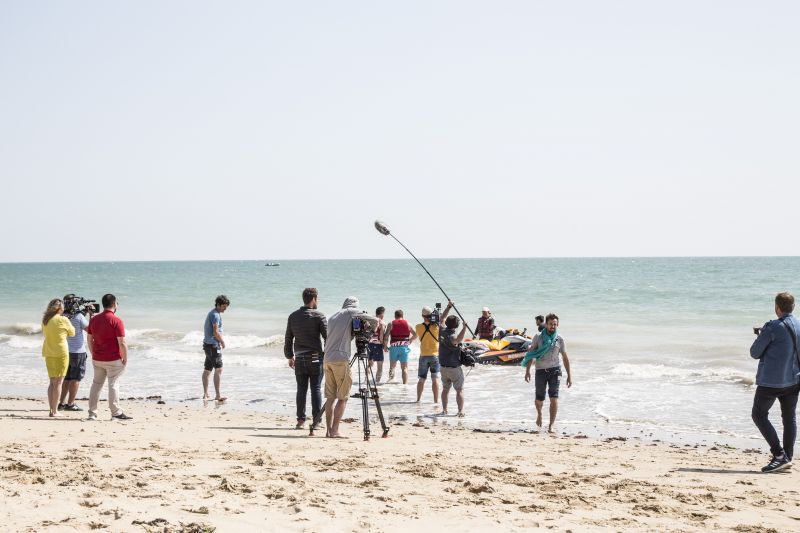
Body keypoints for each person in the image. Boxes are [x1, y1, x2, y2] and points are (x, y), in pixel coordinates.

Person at [749, 292, 800, 473]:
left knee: (758, 414)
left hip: (771, 382)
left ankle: (779, 455)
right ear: (792, 307)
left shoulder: (771, 327)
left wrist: (761, 335)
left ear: (777, 308)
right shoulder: (798, 324)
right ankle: (788, 457)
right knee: (789, 418)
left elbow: (755, 353)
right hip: (794, 380)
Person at [323, 297, 378, 438]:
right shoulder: (352, 312)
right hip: (341, 359)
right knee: (343, 397)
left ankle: (329, 431)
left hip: (327, 358)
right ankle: (335, 430)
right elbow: (375, 320)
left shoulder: (333, 316)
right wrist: (369, 333)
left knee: (330, 397)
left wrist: (352, 333)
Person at [284, 288, 327, 430]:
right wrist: (327, 354)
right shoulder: (319, 316)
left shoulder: (293, 316)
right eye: (317, 298)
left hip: (300, 358)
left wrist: (289, 356)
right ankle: (316, 421)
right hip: (315, 358)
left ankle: (300, 420)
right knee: (315, 388)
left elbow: (288, 339)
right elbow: (328, 337)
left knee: (301, 389)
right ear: (313, 299)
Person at [523, 313, 572, 432]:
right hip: (540, 371)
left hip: (555, 370)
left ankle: (551, 424)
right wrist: (528, 371)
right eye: (551, 324)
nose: (553, 327)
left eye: (555, 324)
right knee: (539, 400)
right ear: (546, 324)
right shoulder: (538, 337)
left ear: (557, 325)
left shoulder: (559, 339)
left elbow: (565, 357)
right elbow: (531, 354)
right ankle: (539, 414)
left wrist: (569, 375)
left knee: (554, 398)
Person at [87, 294, 131, 421]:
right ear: (114, 304)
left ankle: (92, 413)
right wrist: (125, 358)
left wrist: (93, 353)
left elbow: (90, 339)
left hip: (97, 358)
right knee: (113, 384)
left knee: (96, 384)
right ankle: (115, 413)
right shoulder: (117, 320)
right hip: (113, 359)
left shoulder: (94, 319)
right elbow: (122, 342)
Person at [58, 294, 95, 412]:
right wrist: (91, 315)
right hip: (77, 352)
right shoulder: (78, 316)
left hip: (64, 351)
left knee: (66, 379)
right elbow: (91, 330)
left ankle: (61, 403)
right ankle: (71, 403)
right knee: (76, 379)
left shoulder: (61, 316)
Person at [41, 298, 75, 417]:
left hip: (48, 352)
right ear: (60, 308)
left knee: (52, 382)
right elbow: (72, 333)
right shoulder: (63, 319)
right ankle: (55, 411)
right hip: (61, 353)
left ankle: (51, 410)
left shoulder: (45, 320)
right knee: (59, 382)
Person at [413, 301, 453, 404]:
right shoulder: (436, 326)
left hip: (423, 356)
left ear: (422, 316)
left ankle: (418, 399)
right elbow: (443, 318)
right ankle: (436, 401)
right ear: (431, 315)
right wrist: (449, 307)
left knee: (421, 379)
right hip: (435, 355)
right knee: (435, 379)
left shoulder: (418, 327)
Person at [439, 314, 469, 416]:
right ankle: (460, 411)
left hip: (443, 366)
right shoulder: (452, 336)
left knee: (445, 389)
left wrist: (448, 306)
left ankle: (444, 410)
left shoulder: (441, 330)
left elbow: (441, 318)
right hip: (454, 367)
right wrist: (464, 328)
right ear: (456, 326)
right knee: (459, 390)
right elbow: (458, 340)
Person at [202, 295, 230, 403]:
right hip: (213, 346)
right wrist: (222, 341)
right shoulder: (215, 315)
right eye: (223, 306)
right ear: (218, 305)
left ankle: (205, 393)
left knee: (207, 369)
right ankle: (218, 395)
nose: (225, 308)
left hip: (207, 345)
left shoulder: (213, 313)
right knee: (219, 369)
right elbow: (215, 332)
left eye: (226, 306)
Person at [383, 309, 416, 384]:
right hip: (404, 348)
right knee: (404, 368)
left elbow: (386, 337)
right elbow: (415, 335)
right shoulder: (408, 324)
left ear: (395, 316)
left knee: (392, 367)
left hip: (394, 348)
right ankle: (405, 385)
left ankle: (390, 382)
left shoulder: (391, 323)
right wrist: (410, 340)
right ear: (402, 316)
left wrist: (385, 346)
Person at [367, 306, 387, 384]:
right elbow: (381, 336)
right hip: (377, 345)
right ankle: (377, 382)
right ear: (382, 314)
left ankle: (366, 380)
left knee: (370, 363)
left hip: (369, 344)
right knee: (380, 365)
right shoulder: (381, 323)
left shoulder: (370, 321)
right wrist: (383, 344)